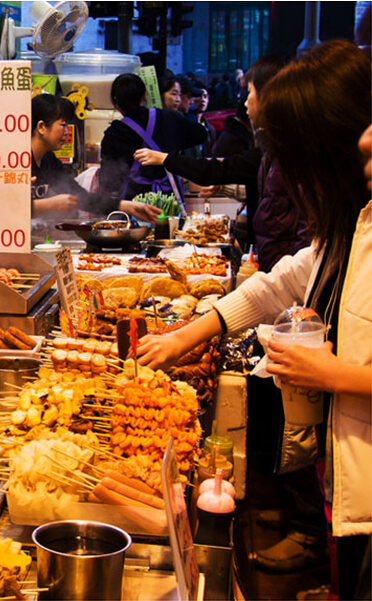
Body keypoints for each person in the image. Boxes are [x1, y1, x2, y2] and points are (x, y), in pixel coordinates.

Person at [137, 40, 371, 599]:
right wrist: (189, 333)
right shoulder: (356, 222)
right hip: (348, 468)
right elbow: (286, 278)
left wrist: (338, 375)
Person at [133, 53, 303, 272]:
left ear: (270, 96)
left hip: (283, 270)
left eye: (249, 92)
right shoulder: (273, 148)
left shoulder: (284, 152)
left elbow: (221, 169)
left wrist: (165, 158)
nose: (245, 102)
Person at [29, 93, 160, 233]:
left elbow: (82, 197)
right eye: (63, 125)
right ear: (41, 127)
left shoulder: (49, 160)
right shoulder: (16, 162)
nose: (67, 132)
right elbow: (6, 208)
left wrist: (126, 206)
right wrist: (46, 205)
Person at [97, 73, 206, 204]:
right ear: (144, 95)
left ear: (116, 101)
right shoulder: (169, 118)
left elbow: (107, 182)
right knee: (171, 224)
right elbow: (201, 134)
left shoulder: (114, 134)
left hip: (135, 205)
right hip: (169, 200)